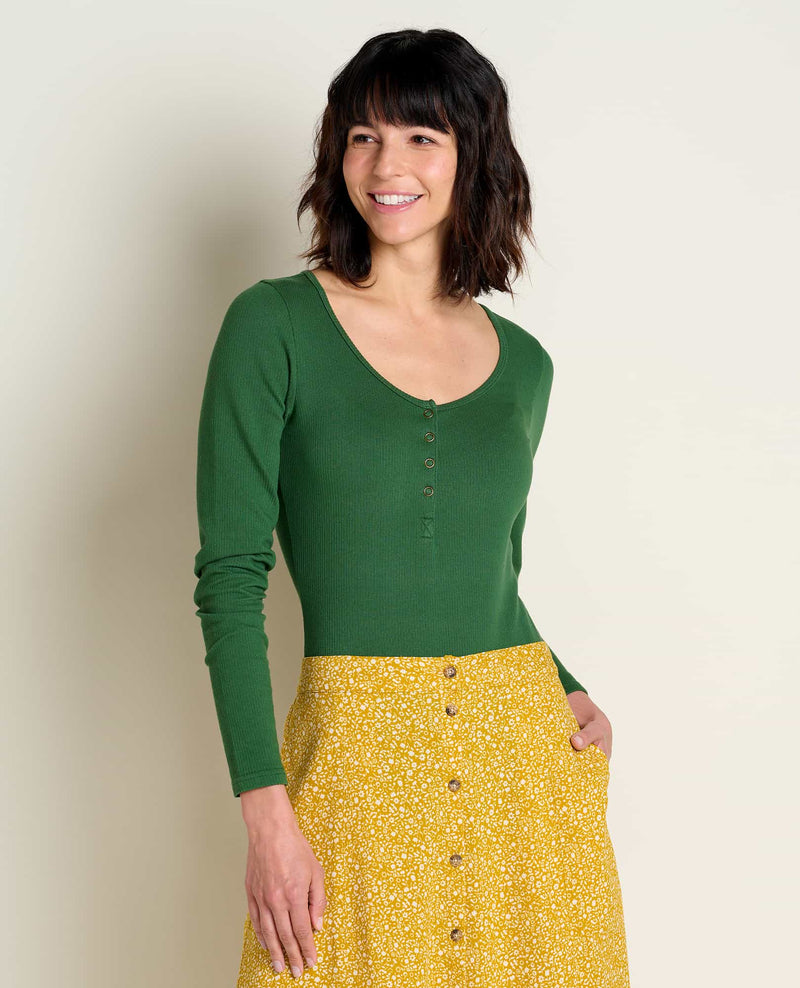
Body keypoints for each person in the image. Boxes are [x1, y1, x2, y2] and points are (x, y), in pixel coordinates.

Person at [193, 27, 630, 988]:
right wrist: (266, 810)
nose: (386, 165)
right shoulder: (272, 327)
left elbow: (491, 573)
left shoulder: (526, 368)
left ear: (474, 158)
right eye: (363, 136)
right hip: (356, 762)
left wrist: (564, 681)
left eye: (422, 137)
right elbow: (230, 577)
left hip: (522, 763)